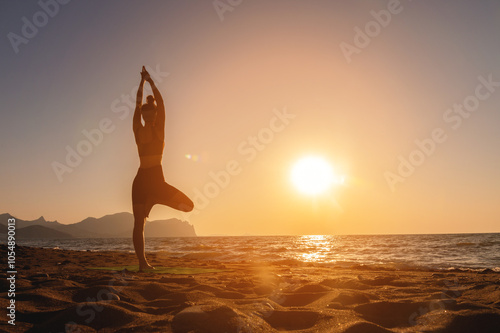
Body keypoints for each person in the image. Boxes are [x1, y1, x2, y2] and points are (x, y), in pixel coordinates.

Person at [132, 66, 194, 270]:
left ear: (156, 114)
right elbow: (137, 102)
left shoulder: (160, 129)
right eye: (145, 114)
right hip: (141, 180)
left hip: (157, 180)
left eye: (152, 114)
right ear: (142, 115)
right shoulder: (137, 129)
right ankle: (143, 263)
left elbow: (162, 101)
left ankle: (157, 198)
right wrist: (141, 83)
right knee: (138, 224)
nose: (148, 117)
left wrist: (150, 81)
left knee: (188, 206)